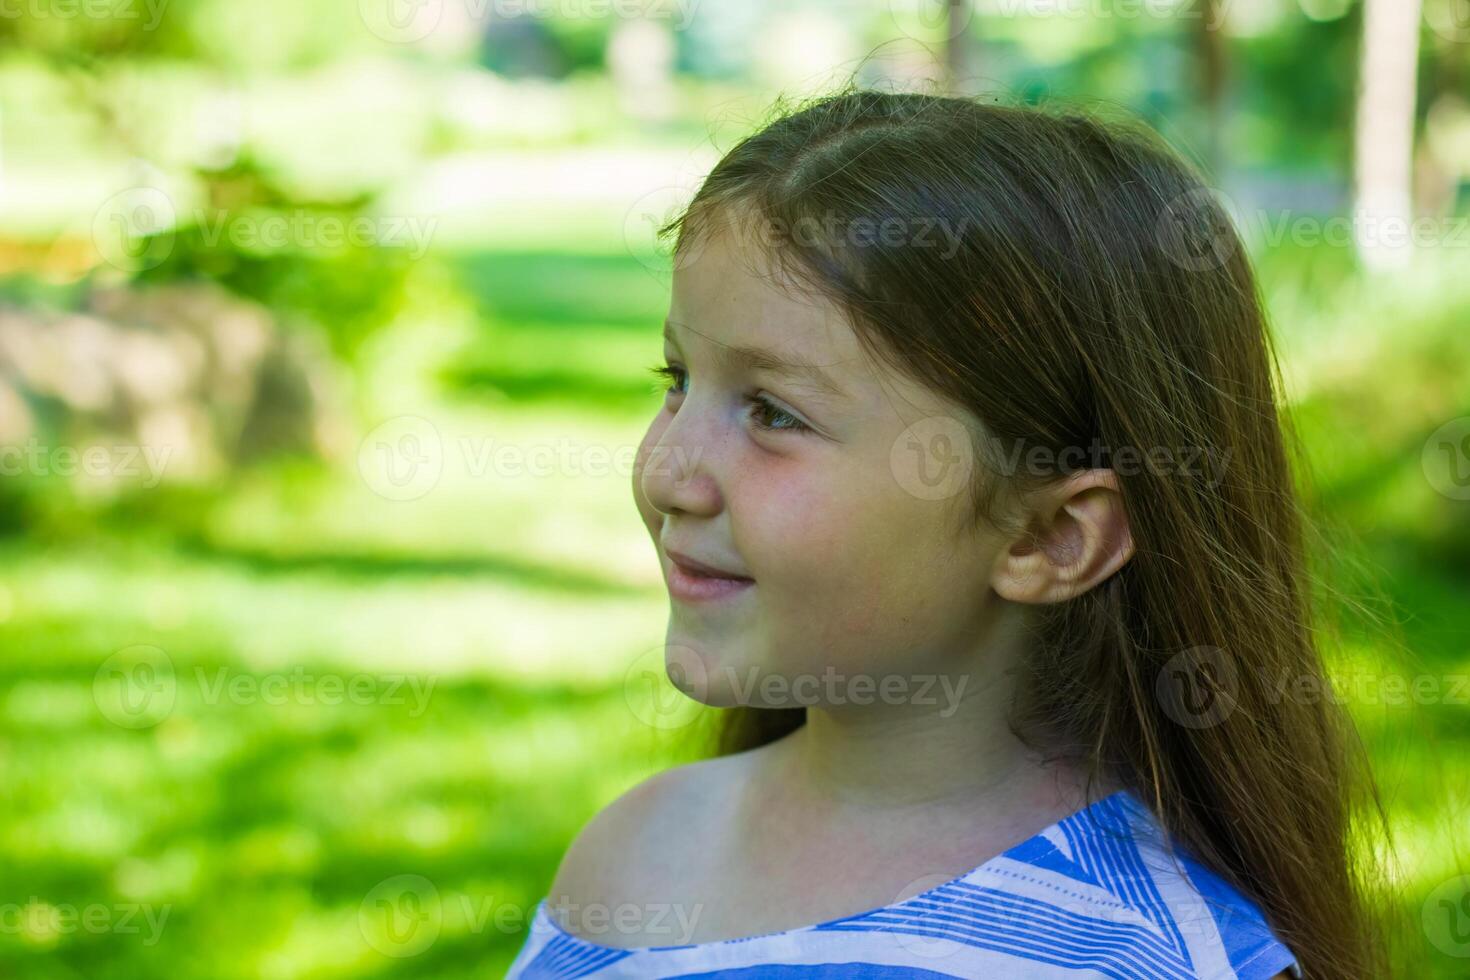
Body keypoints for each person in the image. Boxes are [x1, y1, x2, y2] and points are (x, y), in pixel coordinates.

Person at [506, 89, 1383, 979]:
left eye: (774, 413)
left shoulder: (1144, 957)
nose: (665, 473)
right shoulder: (636, 853)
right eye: (677, 378)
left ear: (1048, 538)